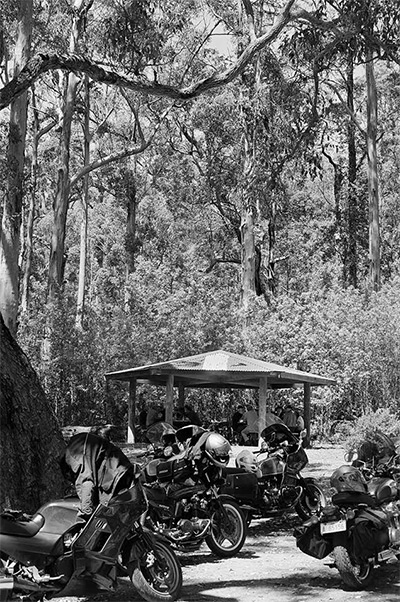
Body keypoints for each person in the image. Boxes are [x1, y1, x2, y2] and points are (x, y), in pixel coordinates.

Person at [59, 432, 139, 521]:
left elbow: (86, 483)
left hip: (115, 477)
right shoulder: (77, 441)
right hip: (121, 467)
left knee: (106, 520)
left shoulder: (74, 457)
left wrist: (84, 513)